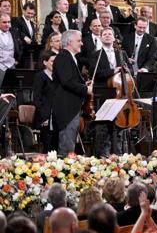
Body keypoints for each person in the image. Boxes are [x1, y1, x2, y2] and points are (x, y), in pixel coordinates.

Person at [90, 27, 131, 157]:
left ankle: (119, 153)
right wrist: (113, 71)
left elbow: (128, 71)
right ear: (101, 38)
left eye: (110, 34)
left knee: (118, 127)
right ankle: (103, 154)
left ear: (114, 38)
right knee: (103, 126)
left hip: (120, 94)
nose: (107, 36)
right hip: (104, 93)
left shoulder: (122, 53)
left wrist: (126, 70)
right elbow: (95, 74)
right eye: (105, 34)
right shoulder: (96, 54)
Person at [52, 29, 92, 157]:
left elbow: (69, 80)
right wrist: (85, 89)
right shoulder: (63, 57)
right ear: (69, 42)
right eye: (79, 41)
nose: (82, 44)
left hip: (71, 108)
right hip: (67, 109)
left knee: (70, 144)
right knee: (67, 147)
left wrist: (83, 85)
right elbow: (66, 81)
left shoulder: (70, 57)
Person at [33, 50, 58, 153]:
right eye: (52, 61)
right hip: (44, 118)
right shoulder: (40, 76)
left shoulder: (58, 77)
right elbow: (37, 99)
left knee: (57, 148)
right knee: (48, 148)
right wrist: (46, 118)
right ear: (45, 62)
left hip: (57, 117)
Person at [0, 13, 22, 87]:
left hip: (12, 66)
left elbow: (19, 47)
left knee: (12, 89)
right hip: (0, 66)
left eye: (9, 22)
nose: (7, 24)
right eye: (4, 22)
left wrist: (17, 60)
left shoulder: (13, 33)